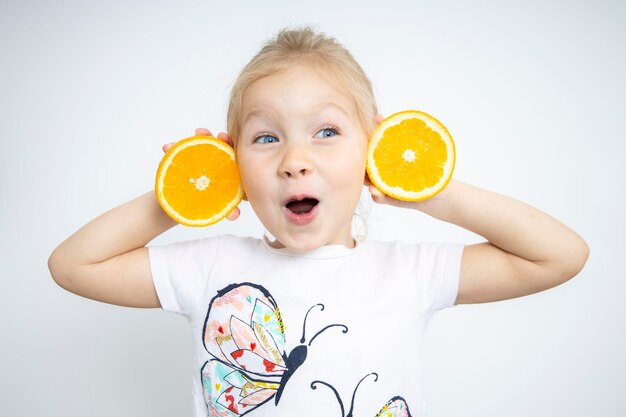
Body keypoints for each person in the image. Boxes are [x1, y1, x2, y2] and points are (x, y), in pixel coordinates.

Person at [48, 26, 589, 417]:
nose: (295, 159)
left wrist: (427, 192)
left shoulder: (409, 273)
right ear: (235, 160)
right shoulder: (211, 266)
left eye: (326, 132)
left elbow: (559, 255)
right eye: (265, 137)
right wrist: (185, 191)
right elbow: (73, 265)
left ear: (372, 146)